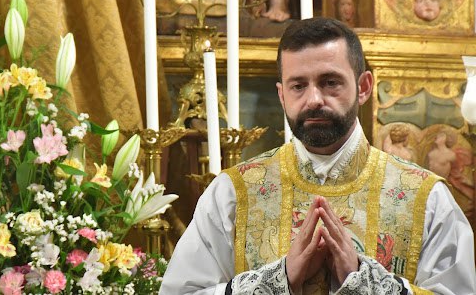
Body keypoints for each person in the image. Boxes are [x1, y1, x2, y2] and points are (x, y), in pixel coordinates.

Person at [160, 17, 475, 294]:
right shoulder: (232, 194)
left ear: (364, 87)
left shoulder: (425, 197)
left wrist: (364, 283)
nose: (314, 99)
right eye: (298, 86)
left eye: (330, 83)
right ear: (282, 95)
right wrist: (277, 280)